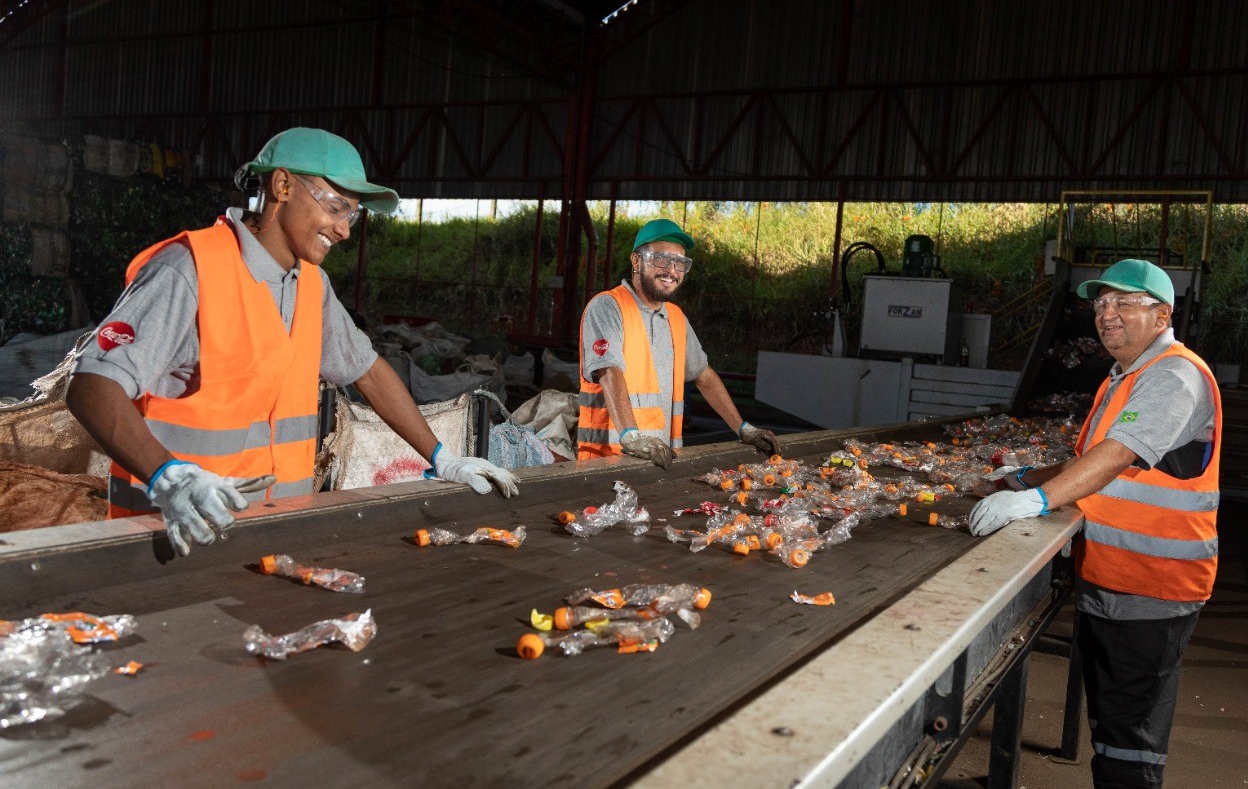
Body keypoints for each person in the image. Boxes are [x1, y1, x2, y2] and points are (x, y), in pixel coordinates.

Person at [67, 128, 518, 557]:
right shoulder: (189, 269)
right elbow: (91, 386)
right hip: (174, 534)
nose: (345, 229)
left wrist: (441, 456)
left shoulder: (310, 286)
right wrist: (170, 477)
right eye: (336, 206)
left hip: (269, 537)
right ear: (282, 185)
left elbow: (368, 369)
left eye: (353, 215)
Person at [968, 259, 1221, 789]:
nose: (1107, 314)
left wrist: (1035, 502)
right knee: (1113, 720)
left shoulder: (1174, 375)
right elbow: (1096, 461)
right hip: (1115, 573)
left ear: (1163, 314)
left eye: (1125, 302)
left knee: (1130, 732)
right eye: (1102, 303)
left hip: (1154, 584)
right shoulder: (1125, 377)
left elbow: (1119, 455)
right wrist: (1027, 476)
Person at [577, 218, 781, 467]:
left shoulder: (675, 318)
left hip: (660, 461)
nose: (672, 271)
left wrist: (744, 428)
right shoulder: (608, 307)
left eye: (681, 263)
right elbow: (609, 371)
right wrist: (631, 436)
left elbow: (703, 376)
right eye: (662, 259)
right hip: (605, 462)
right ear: (636, 260)